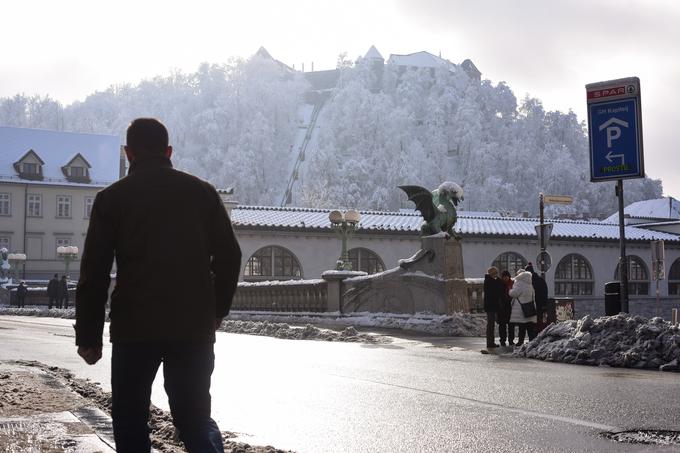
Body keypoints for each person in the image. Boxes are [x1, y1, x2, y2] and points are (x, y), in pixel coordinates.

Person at [75, 118, 242, 453]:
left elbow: (94, 271)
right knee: (195, 416)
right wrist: (217, 310)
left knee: (130, 416)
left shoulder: (112, 198)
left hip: (134, 327)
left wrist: (90, 336)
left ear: (128, 152)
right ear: (168, 151)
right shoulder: (202, 192)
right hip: (192, 326)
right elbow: (230, 256)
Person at [508, 269, 537, 346]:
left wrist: (510, 290)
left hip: (520, 308)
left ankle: (520, 342)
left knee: (522, 326)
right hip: (529, 307)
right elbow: (533, 296)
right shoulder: (530, 284)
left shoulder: (520, 283)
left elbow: (514, 294)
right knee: (529, 326)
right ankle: (531, 341)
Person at [483, 266, 503, 348]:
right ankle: (490, 343)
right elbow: (497, 290)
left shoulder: (488, 280)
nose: (497, 275)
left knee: (491, 325)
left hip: (490, 306)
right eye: (496, 274)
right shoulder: (490, 281)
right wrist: (498, 280)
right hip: (491, 306)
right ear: (493, 274)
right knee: (491, 325)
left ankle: (490, 342)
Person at [525, 263, 549, 332]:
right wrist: (544, 305)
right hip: (540, 305)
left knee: (532, 324)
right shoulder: (540, 280)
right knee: (540, 322)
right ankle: (539, 336)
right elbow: (545, 293)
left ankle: (533, 338)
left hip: (531, 305)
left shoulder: (528, 282)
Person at [497, 270, 514, 346]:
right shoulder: (500, 284)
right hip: (502, 308)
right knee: (502, 326)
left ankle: (511, 340)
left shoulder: (512, 284)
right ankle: (502, 340)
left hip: (510, 307)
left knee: (511, 326)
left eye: (507, 277)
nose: (506, 278)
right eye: (504, 277)